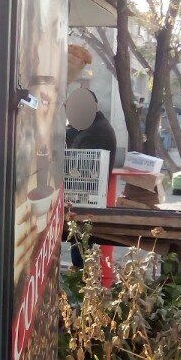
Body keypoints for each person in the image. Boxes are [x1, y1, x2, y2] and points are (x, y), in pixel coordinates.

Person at [65, 88, 118, 267]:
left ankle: (82, 280)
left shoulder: (97, 131)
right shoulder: (93, 126)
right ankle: (83, 278)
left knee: (81, 245)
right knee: (81, 243)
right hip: (85, 197)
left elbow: (79, 163)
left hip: (86, 198)